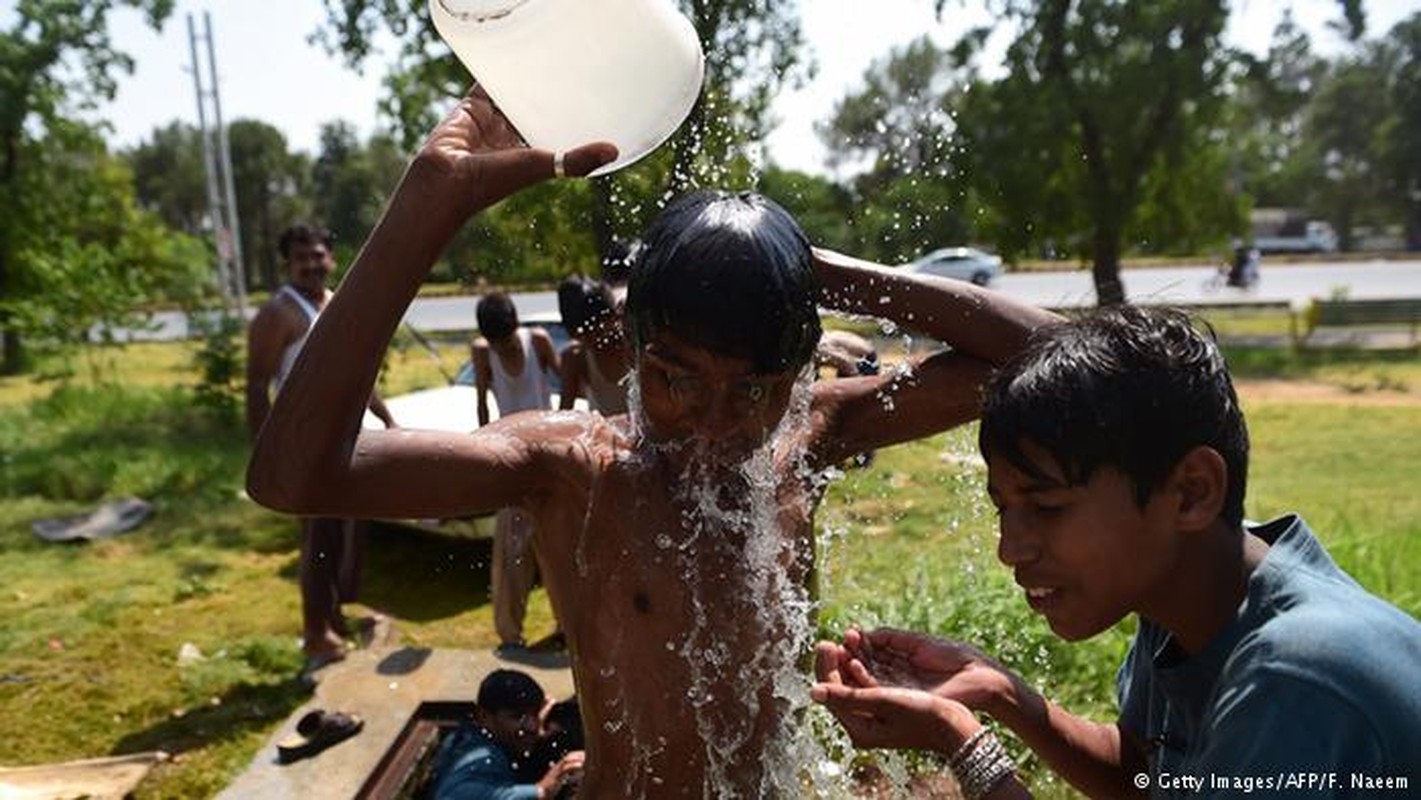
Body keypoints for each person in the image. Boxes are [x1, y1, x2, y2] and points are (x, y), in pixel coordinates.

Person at [246, 87, 1056, 795]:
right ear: (630, 354)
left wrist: (817, 273)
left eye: (752, 392)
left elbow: (1052, 354)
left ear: (798, 377)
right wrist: (427, 205)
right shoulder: (574, 468)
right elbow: (294, 476)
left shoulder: (812, 432)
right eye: (676, 380)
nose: (711, 425)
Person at [811, 306, 1421, 799]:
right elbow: (1146, 778)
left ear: (1191, 492)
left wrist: (966, 747)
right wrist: (1001, 692)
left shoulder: (1297, 682)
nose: (1009, 548)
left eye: (1046, 507)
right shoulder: (1196, 592)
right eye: (1004, 507)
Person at [244, 222, 395, 676]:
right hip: (302, 445)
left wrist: (385, 416)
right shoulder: (278, 314)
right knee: (317, 540)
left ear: (331, 258)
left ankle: (333, 617)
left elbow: (355, 373)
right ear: (287, 264)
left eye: (318, 256)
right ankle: (315, 635)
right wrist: (263, 453)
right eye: (301, 257)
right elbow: (255, 385)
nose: (312, 264)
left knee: (341, 535)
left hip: (345, 437)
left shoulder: (333, 303)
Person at [470, 292, 561, 655]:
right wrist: (483, 450)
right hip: (510, 459)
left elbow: (565, 381)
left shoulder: (536, 340)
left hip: (548, 457)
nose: (505, 348)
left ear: (515, 327)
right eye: (498, 343)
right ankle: (510, 635)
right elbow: (481, 400)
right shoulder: (482, 351)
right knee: (512, 554)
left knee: (557, 549)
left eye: (507, 340)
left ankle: (567, 627)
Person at [429, 669, 585, 800]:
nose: (532, 726)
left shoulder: (467, 734)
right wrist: (540, 791)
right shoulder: (481, 756)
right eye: (517, 716)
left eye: (535, 714)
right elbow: (451, 795)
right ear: (484, 716)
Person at [555, 275, 630, 415]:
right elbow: (563, 416)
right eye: (581, 334)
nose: (590, 338)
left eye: (595, 330)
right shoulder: (576, 358)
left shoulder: (635, 346)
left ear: (612, 318)